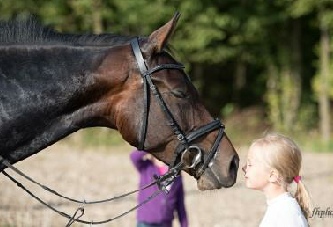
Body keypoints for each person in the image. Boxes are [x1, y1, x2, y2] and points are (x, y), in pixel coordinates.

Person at [242, 133, 312, 227]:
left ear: (273, 175)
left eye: (250, 164)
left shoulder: (287, 213)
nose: (244, 168)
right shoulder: (280, 207)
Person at [130, 149, 188, 227]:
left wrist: (184, 224)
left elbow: (180, 204)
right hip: (146, 222)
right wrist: (151, 146)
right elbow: (134, 156)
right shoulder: (146, 167)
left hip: (166, 222)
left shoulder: (176, 175)